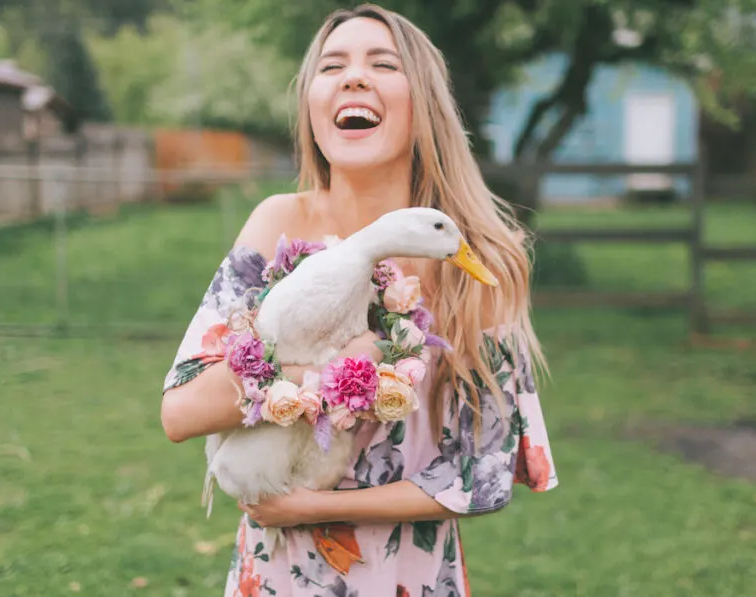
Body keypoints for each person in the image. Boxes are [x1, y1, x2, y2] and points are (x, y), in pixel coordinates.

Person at [160, 4, 558, 595]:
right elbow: (181, 411)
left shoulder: (478, 265)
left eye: (382, 63)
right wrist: (309, 371)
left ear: (423, 104)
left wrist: (307, 509)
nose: (353, 76)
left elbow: (484, 476)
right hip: (278, 578)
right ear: (313, 109)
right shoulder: (276, 224)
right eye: (332, 66)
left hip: (407, 577)